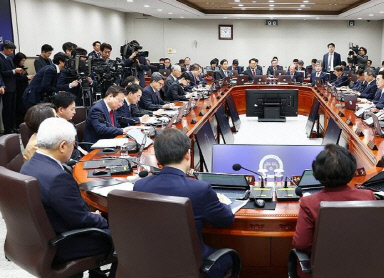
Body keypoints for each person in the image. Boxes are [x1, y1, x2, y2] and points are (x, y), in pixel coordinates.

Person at [20, 117, 117, 278]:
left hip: (40, 239)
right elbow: (81, 220)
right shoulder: (58, 178)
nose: (74, 148)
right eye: (74, 145)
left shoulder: (29, 164)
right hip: (64, 243)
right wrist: (103, 219)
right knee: (127, 238)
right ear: (63, 146)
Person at [134, 128, 234, 278]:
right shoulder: (200, 189)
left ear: (158, 158)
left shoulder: (140, 186)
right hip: (195, 267)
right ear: (187, 154)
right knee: (230, 258)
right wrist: (222, 202)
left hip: (151, 263)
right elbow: (226, 219)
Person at [293, 144, 375, 254]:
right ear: (352, 170)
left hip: (322, 268)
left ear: (316, 172)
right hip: (362, 265)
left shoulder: (308, 203)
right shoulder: (368, 196)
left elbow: (301, 244)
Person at [0, 41, 26, 134]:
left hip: (13, 86)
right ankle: (7, 129)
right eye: (10, 50)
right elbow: (2, 73)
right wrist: (14, 71)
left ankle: (13, 126)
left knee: (12, 109)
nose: (12, 52)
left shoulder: (9, 58)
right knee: (7, 109)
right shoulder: (0, 58)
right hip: (6, 87)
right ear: (4, 49)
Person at [53, 92, 87, 160]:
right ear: (61, 110)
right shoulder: (55, 127)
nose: (74, 112)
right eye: (72, 109)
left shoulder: (69, 122)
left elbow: (75, 145)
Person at [13, 52, 34, 126]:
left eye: (24, 61)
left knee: (24, 107)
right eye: (22, 61)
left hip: (24, 88)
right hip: (18, 89)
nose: (23, 62)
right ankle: (18, 124)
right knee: (19, 107)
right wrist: (26, 77)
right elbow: (17, 79)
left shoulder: (23, 67)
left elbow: (25, 77)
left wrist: (27, 76)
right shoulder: (15, 67)